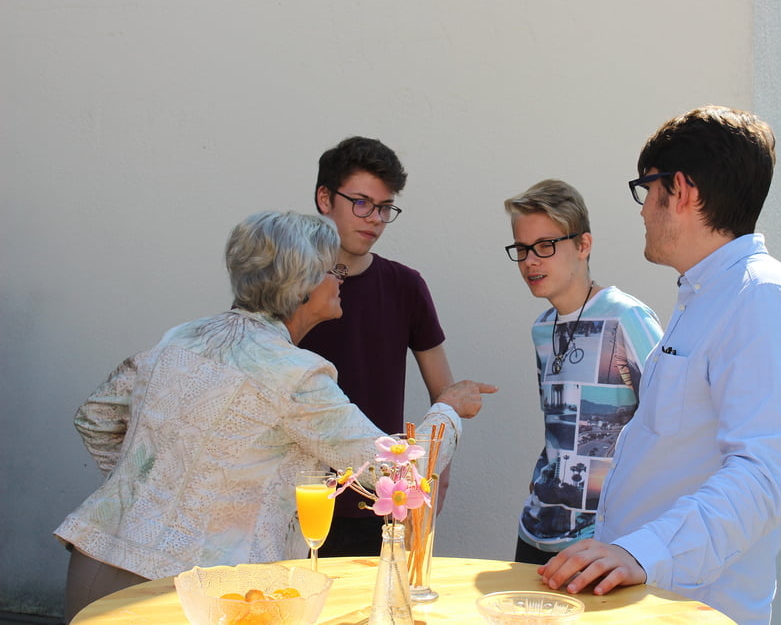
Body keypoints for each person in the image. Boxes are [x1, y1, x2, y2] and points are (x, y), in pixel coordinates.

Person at [54, 211, 495, 620]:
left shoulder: (182, 337)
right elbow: (397, 472)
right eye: (332, 270)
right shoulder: (294, 375)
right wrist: (448, 409)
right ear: (302, 286)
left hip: (98, 564)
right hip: (201, 595)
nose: (339, 279)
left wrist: (150, 488)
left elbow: (95, 417)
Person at [538, 106, 781, 625]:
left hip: (699, 608)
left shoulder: (760, 297)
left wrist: (643, 552)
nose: (644, 211)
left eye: (647, 190)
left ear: (683, 190)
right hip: (652, 600)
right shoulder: (707, 295)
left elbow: (761, 477)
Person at [299, 136, 458, 557]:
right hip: (297, 499)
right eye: (361, 203)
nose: (374, 219)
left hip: (382, 503)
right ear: (324, 198)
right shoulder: (284, 284)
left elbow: (443, 392)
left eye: (385, 208)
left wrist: (437, 471)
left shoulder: (405, 286)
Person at [503, 179, 662, 565]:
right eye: (522, 249)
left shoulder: (626, 318)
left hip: (601, 542)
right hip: (536, 531)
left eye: (545, 245)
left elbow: (671, 425)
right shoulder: (542, 329)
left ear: (583, 245)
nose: (530, 261)